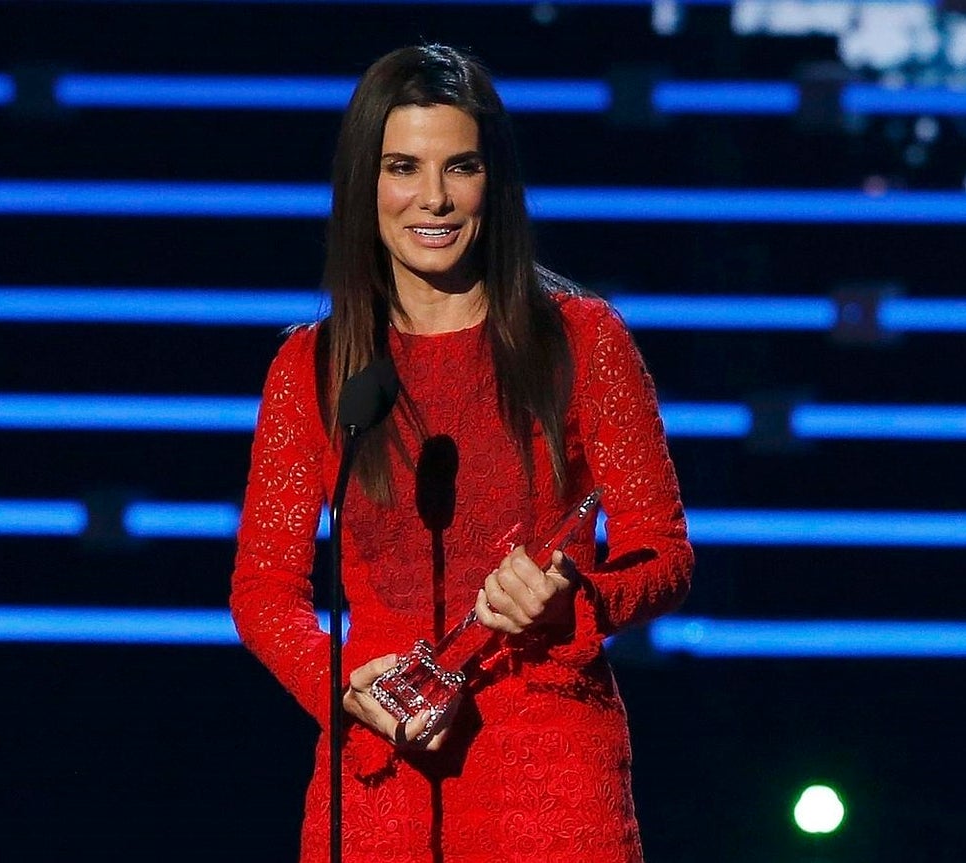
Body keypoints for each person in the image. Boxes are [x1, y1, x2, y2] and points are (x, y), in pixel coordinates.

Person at [230, 43, 693, 863]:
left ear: (494, 181)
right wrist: (340, 681)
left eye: (461, 167)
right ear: (363, 186)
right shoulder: (312, 366)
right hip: (378, 775)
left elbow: (665, 556)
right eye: (403, 167)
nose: (433, 198)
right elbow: (264, 588)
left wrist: (573, 600)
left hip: (549, 773)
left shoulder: (582, 341)